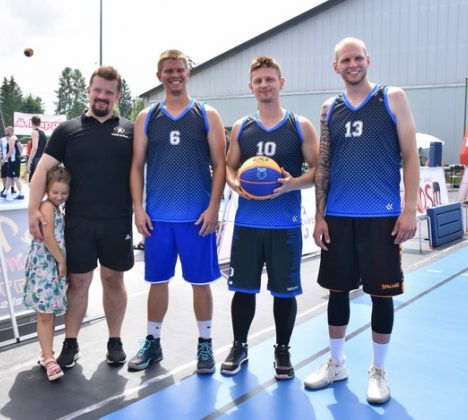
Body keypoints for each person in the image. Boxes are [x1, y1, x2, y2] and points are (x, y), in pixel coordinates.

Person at [303, 37, 420, 405]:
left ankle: (378, 370)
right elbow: (324, 165)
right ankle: (337, 363)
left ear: (368, 59)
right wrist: (320, 216)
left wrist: (410, 207)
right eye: (344, 60)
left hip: (381, 215)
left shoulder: (392, 97)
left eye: (357, 58)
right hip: (338, 216)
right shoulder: (329, 108)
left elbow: (410, 154)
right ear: (335, 66)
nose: (352, 64)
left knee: (380, 295)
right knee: (337, 293)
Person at [28, 66, 134, 368]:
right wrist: (32, 212)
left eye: (109, 92)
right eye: (98, 90)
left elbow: (142, 171)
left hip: (117, 220)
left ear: (117, 95)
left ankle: (115, 341)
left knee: (114, 280)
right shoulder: (67, 130)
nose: (102, 96)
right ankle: (70, 343)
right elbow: (40, 172)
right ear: (88, 91)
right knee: (77, 283)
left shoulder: (130, 130)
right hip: (79, 222)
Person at [220, 56, 318, 380]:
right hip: (248, 224)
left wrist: (293, 184)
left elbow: (319, 169)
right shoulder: (242, 127)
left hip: (285, 224)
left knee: (284, 293)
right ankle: (239, 346)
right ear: (251, 87)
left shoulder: (299, 125)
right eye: (258, 81)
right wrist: (235, 184)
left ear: (281, 83)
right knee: (243, 291)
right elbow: (229, 167)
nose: (264, 85)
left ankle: (282, 350)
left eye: (270, 79)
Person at [128, 49, 226, 375]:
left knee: (201, 284)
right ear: (160, 76)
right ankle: (153, 342)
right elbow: (136, 165)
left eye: (180, 70)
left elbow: (220, 164)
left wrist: (214, 206)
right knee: (158, 282)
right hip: (157, 219)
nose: (175, 75)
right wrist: (138, 209)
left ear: (188, 73)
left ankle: (205, 343)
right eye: (168, 70)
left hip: (197, 218)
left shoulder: (206, 114)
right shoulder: (147, 117)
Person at [23, 165, 71, 381]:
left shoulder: (57, 208)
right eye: (55, 192)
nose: (59, 196)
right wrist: (61, 261)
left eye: (64, 193)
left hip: (51, 266)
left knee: (49, 313)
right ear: (46, 191)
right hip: (46, 265)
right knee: (44, 314)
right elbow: (49, 237)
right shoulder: (48, 207)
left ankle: (47, 354)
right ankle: (49, 358)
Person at [0, 126, 24, 199]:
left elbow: (10, 151)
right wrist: (18, 155)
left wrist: (4, 159)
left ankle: (21, 194)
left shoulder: (11, 139)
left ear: (11, 131)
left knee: (16, 178)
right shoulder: (15, 138)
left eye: (7, 131)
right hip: (14, 160)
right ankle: (5, 193)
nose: (5, 133)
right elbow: (21, 147)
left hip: (13, 161)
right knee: (9, 177)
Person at [26, 116, 47, 181]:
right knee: (40, 179)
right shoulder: (43, 133)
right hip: (42, 157)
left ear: (31, 123)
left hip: (37, 158)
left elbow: (35, 147)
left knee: (34, 180)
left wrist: (29, 161)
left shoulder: (34, 132)